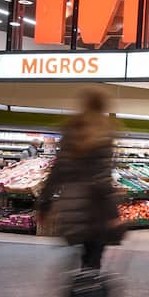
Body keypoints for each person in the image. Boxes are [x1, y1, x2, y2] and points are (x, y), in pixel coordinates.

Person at [37, 89, 123, 270]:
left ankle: (75, 289)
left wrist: (44, 203)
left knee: (78, 257)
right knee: (92, 262)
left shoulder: (71, 131)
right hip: (95, 210)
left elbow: (57, 172)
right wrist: (114, 214)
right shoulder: (103, 133)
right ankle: (85, 291)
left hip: (71, 206)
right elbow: (102, 180)